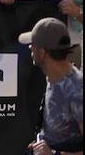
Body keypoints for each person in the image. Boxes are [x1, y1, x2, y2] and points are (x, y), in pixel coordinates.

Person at [19, 18, 82, 155]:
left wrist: (53, 154)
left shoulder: (78, 91)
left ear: (42, 53)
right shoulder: (53, 78)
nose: (30, 46)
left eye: (33, 44)